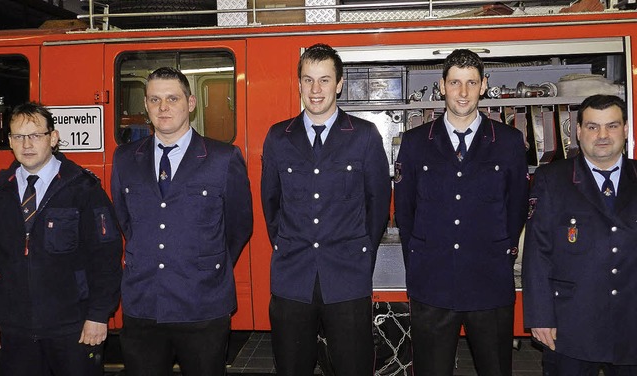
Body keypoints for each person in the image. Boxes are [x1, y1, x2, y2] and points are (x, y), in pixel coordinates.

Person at [394, 49, 529, 376]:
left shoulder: (509, 142)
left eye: (471, 83)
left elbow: (517, 206)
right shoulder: (415, 142)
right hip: (432, 284)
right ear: (442, 86)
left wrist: (501, 253)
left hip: (489, 282)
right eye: (455, 82)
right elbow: (404, 209)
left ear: (484, 86)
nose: (463, 92)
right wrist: (420, 259)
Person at [111, 67, 253, 376]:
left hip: (202, 304)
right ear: (146, 106)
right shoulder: (124, 158)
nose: (163, 108)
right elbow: (126, 220)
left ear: (190, 103)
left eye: (172, 98)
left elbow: (239, 226)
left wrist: (206, 263)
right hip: (144, 303)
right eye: (154, 99)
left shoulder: (223, 158)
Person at [261, 43, 391, 375]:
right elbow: (271, 203)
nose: (315, 90)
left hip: (347, 277)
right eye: (308, 80)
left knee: (353, 367)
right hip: (292, 278)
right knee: (292, 367)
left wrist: (361, 253)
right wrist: (288, 244)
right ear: (299, 84)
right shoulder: (278, 137)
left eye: (324, 80)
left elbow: (378, 203)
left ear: (340, 83)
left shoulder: (363, 136)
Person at [0, 102, 123, 376]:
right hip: (14, 330)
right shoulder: (0, 191)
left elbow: (107, 258)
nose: (26, 144)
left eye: (35, 135)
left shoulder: (83, 189)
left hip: (73, 329)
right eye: (18, 136)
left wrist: (98, 315)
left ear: (53, 138)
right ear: (9, 141)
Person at [522, 94, 637, 375]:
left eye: (611, 126)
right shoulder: (552, 179)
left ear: (625, 129)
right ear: (578, 131)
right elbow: (537, 254)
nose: (602, 135)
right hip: (572, 323)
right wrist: (540, 316)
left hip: (632, 323)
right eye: (593, 126)